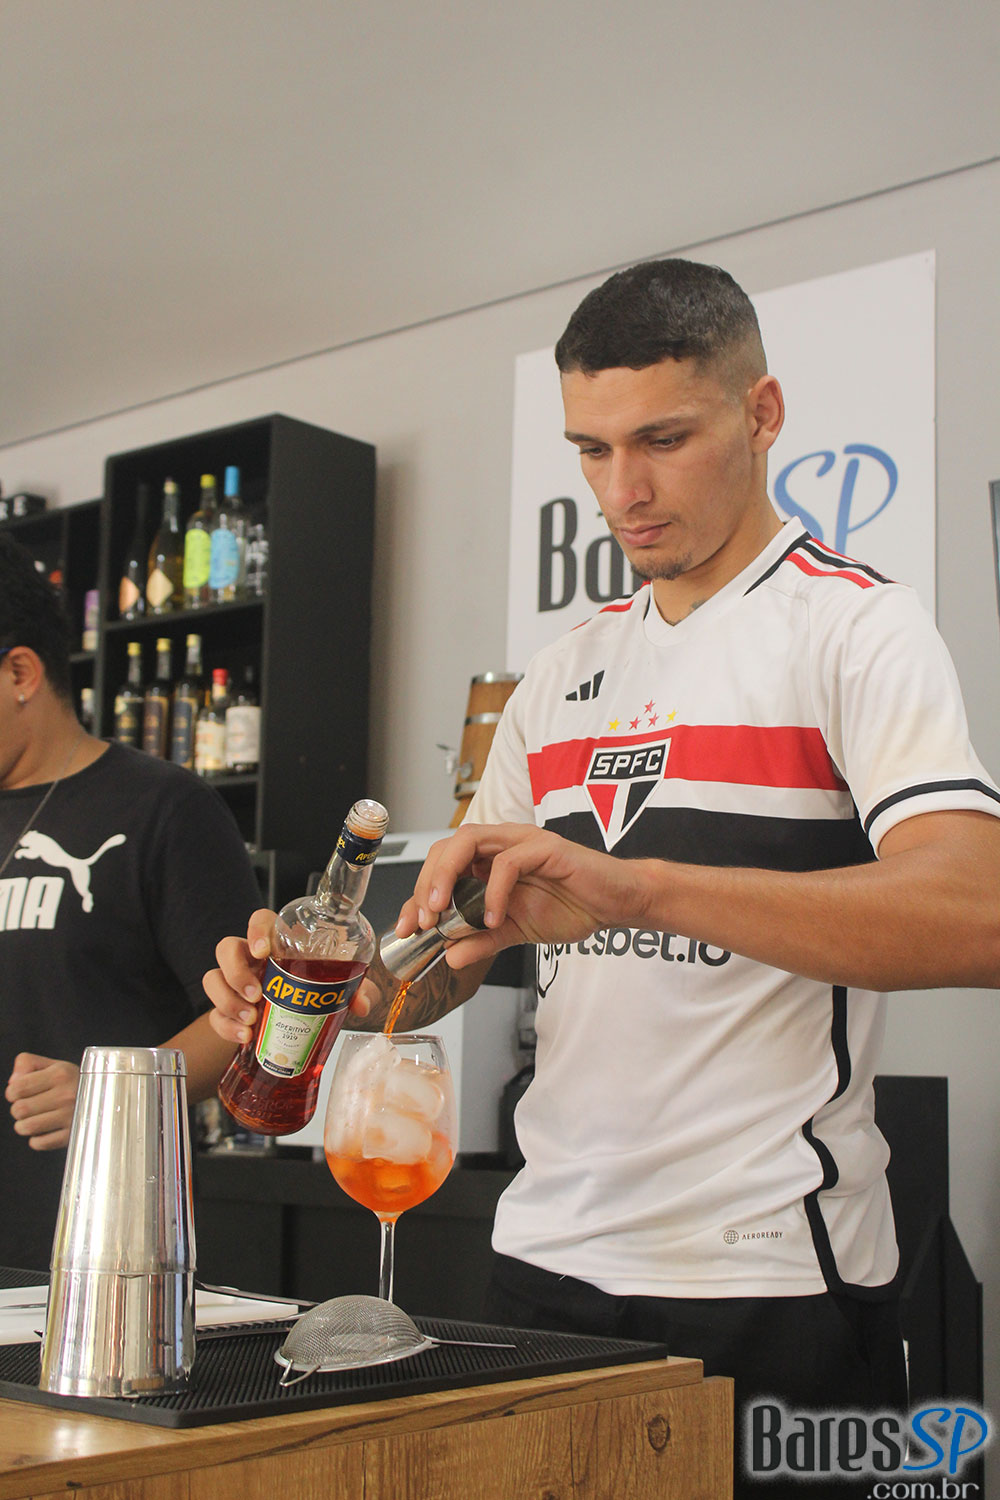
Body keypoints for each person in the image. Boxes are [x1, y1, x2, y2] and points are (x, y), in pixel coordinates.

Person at [204, 259, 1000, 1494]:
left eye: (662, 440)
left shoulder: (855, 627)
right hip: (545, 1261)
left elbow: (977, 917)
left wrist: (637, 885)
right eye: (590, 450)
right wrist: (331, 998)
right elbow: (441, 960)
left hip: (767, 1276)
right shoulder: (560, 672)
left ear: (762, 413)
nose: (621, 492)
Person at [0, 532, 262, 1270]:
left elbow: (252, 1013)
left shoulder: (163, 808)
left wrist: (110, 1092)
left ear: (20, 672)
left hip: (100, 1256)